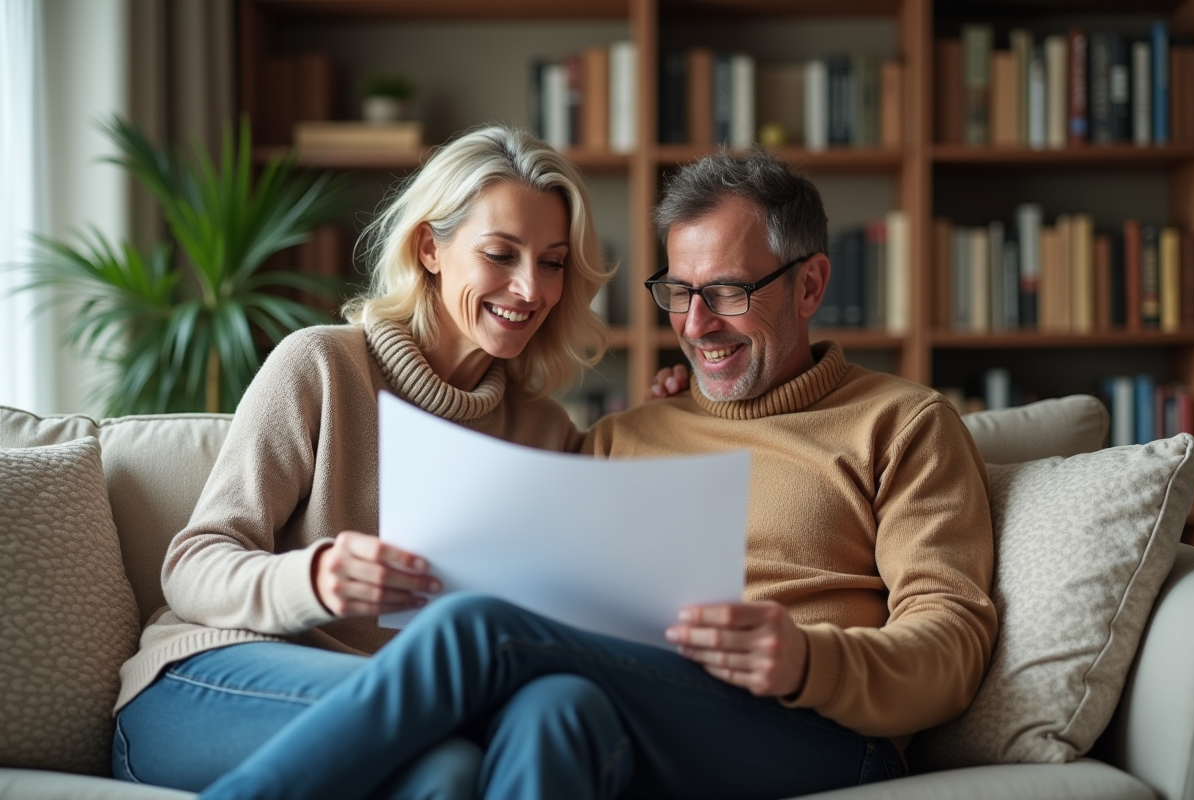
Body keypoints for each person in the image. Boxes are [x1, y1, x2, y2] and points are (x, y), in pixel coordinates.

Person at [194, 149, 998, 800]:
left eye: (725, 292)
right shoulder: (620, 437)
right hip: (647, 706)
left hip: (815, 728)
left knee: (481, 626)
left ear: (811, 285)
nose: (695, 326)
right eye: (677, 293)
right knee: (555, 708)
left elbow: (954, 646)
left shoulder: (904, 423)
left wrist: (809, 660)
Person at [110, 125, 618, 798]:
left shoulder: (544, 431)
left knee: (454, 767)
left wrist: (680, 402)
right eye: (501, 254)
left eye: (553, 262)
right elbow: (193, 563)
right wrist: (314, 580)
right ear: (430, 249)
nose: (530, 288)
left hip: (413, 714)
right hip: (211, 682)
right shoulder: (322, 365)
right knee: (446, 744)